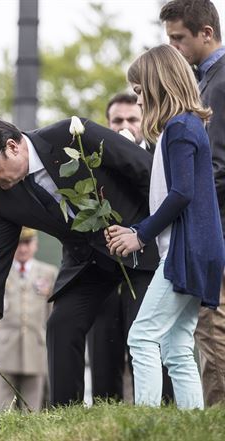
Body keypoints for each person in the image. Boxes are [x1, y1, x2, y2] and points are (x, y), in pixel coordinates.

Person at [0, 112, 159, 406]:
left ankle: (162, 407)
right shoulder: (1, 195)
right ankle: (65, 416)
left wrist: (147, 232)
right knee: (61, 325)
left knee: (146, 329)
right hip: (88, 262)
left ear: (13, 147)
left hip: (138, 244)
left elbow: (147, 172)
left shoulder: (72, 136)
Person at [107, 44, 224, 409]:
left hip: (186, 252)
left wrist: (139, 233)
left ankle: (145, 419)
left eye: (141, 92)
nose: (139, 102)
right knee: (176, 344)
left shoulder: (180, 127)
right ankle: (190, 423)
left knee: (142, 336)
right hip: (198, 250)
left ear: (159, 86)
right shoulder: (184, 126)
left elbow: (181, 194)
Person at [86, 93, 173, 403]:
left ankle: (159, 412)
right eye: (117, 121)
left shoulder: (161, 159)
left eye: (132, 119)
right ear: (107, 125)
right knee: (103, 352)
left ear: (143, 121)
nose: (125, 125)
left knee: (152, 348)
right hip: (105, 268)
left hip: (149, 267)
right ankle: (105, 414)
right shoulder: (93, 164)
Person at [160, 0, 225, 407]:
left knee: (212, 325)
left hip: (217, 225)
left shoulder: (218, 83)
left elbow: (216, 167)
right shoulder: (207, 80)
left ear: (206, 33)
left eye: (178, 39)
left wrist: (198, 225)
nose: (174, 49)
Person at [0, 227, 57, 411]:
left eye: (27, 243)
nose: (23, 248)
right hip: (4, 348)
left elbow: (51, 312)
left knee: (32, 410)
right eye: (18, 243)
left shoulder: (48, 273)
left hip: (35, 347)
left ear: (35, 244)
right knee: (2, 410)